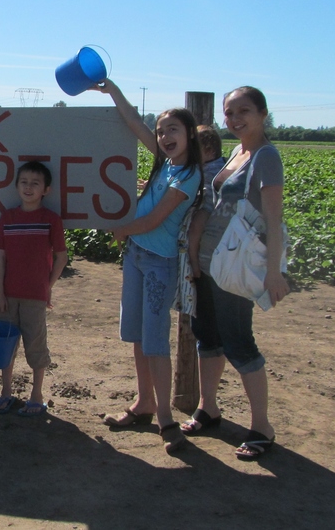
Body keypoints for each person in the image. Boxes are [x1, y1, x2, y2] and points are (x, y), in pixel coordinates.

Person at [93, 79, 203, 453]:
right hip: (137, 258)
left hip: (158, 263)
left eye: (172, 129)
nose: (164, 135)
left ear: (189, 133)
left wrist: (121, 230)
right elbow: (134, 123)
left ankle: (166, 420)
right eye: (161, 131)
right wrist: (114, 93)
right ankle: (143, 404)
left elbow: (156, 219)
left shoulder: (188, 175)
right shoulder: (164, 164)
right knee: (138, 337)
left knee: (155, 342)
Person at [181, 87, 289, 460]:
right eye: (229, 113)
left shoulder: (265, 157)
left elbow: (273, 220)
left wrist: (274, 273)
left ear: (262, 113)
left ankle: (262, 426)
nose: (235, 118)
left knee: (239, 342)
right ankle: (208, 407)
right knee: (207, 336)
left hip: (236, 267)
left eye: (244, 110)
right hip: (211, 264)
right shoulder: (237, 153)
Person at [0, 161, 68, 416]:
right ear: (16, 186)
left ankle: (36, 395)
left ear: (46, 189)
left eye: (35, 183)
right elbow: (0, 258)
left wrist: (48, 286)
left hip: (35, 296)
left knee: (36, 345)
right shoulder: (7, 217)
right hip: (8, 296)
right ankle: (6, 392)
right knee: (7, 346)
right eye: (24, 182)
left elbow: (61, 257)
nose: (29, 187)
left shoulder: (50, 220)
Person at [187, 125, 226, 278]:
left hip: (209, 209)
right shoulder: (224, 163)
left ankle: (194, 263)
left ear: (210, 151)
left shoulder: (207, 171)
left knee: (196, 226)